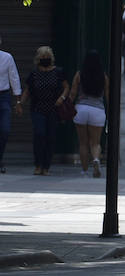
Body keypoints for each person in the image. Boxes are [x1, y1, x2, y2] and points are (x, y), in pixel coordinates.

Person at [24, 46, 67, 175]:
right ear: (38, 59)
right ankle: (38, 164)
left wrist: (62, 98)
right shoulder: (34, 74)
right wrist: (20, 103)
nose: (45, 59)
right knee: (39, 134)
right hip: (37, 108)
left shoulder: (58, 72)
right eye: (42, 57)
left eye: (47, 57)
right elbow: (27, 90)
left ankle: (46, 166)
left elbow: (66, 87)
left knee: (50, 137)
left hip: (53, 109)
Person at [70, 50, 108, 177]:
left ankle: (85, 170)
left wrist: (68, 106)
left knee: (83, 142)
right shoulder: (103, 77)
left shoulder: (79, 75)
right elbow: (108, 96)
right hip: (97, 110)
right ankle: (96, 159)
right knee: (95, 142)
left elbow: (73, 94)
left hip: (81, 109)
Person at [0, 34, 22, 173]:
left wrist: (18, 100)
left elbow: (14, 77)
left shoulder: (7, 57)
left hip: (3, 95)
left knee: (5, 130)